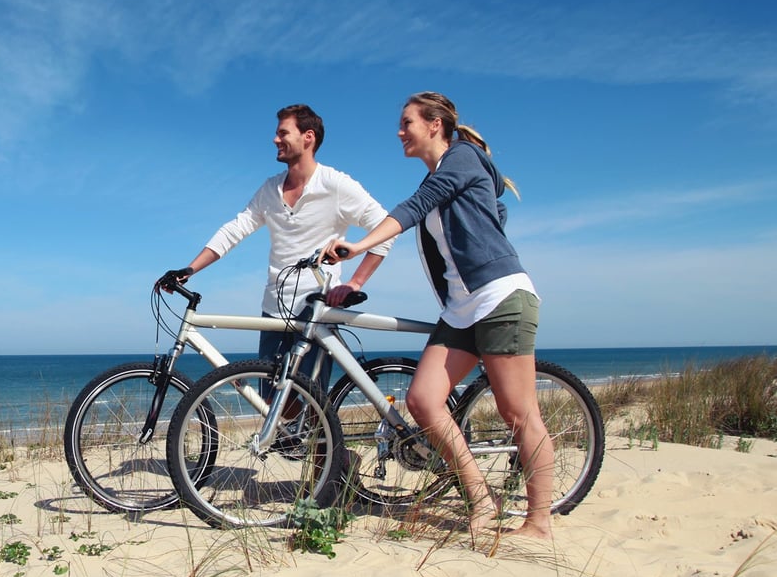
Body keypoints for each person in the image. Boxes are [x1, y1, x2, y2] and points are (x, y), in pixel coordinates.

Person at [323, 91, 554, 540]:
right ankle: (479, 497)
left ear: (434, 125)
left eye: (407, 122)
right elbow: (489, 211)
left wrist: (358, 246)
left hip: (500, 297)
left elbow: (414, 208)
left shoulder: (463, 157)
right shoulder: (446, 175)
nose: (399, 130)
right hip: (462, 308)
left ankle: (539, 522)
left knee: (518, 412)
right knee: (423, 400)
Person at [169, 103, 395, 391]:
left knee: (314, 406)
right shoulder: (270, 189)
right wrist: (190, 269)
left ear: (308, 137)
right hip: (274, 309)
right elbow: (234, 230)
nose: (275, 139)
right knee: (273, 403)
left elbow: (386, 227)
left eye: (282, 133)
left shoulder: (336, 185)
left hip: (316, 308)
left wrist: (355, 282)